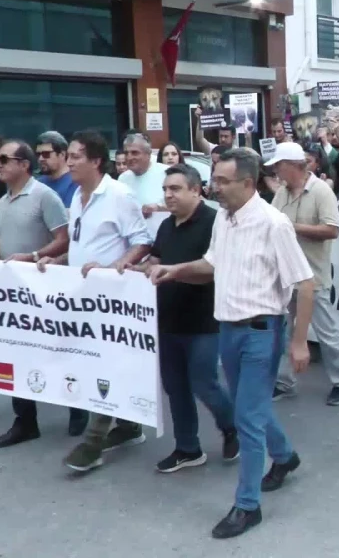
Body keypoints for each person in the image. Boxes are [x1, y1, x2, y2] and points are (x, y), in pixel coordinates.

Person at [150, 147, 313, 540]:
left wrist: (300, 342)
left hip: (261, 332)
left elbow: (305, 284)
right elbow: (212, 265)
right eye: (214, 180)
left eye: (222, 181)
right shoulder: (224, 218)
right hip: (228, 330)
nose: (214, 188)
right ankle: (285, 457)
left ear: (247, 182)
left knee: (247, 418)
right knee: (248, 407)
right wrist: (175, 270)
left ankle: (247, 506)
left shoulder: (274, 224)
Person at [48, 130, 155, 472]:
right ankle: (128, 426)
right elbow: (80, 244)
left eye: (76, 157)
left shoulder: (119, 195)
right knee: (95, 363)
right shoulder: (77, 197)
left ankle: (93, 442)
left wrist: (114, 268)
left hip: (112, 299)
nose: (70, 163)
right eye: (69, 157)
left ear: (95, 161)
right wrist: (55, 261)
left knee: (104, 364)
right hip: (82, 299)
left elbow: (142, 241)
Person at [135, 164, 238, 472]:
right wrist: (125, 269)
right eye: (165, 189)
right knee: (174, 386)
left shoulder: (215, 222)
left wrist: (174, 272)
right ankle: (187, 448)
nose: (168, 195)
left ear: (196, 190)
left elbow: (213, 268)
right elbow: (154, 260)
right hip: (167, 321)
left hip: (204, 321)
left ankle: (232, 426)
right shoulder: (167, 226)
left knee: (204, 383)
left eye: (175, 189)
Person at [0, 140, 74, 448]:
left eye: (3, 159)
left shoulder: (44, 196)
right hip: (12, 293)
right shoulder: (2, 201)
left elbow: (64, 241)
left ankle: (78, 408)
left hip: (44, 290)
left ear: (24, 164)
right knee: (16, 353)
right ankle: (25, 421)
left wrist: (33, 255)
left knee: (58, 350)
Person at [266, 142, 339, 406]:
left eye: (280, 166)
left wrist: (292, 227)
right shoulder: (282, 192)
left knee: (327, 333)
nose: (276, 172)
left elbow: (332, 230)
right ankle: (285, 381)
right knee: (284, 331)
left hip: (313, 276)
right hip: (284, 276)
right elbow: (271, 221)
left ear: (294, 166)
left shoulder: (321, 191)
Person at [117, 132, 169, 216]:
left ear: (148, 154)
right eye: (126, 153)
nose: (129, 157)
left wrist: (158, 208)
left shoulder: (167, 173)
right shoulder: (123, 179)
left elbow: (184, 205)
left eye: (135, 153)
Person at [36, 131, 78, 207]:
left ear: (62, 154)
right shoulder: (37, 184)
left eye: (46, 154)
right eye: (38, 154)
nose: (40, 159)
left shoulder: (76, 182)